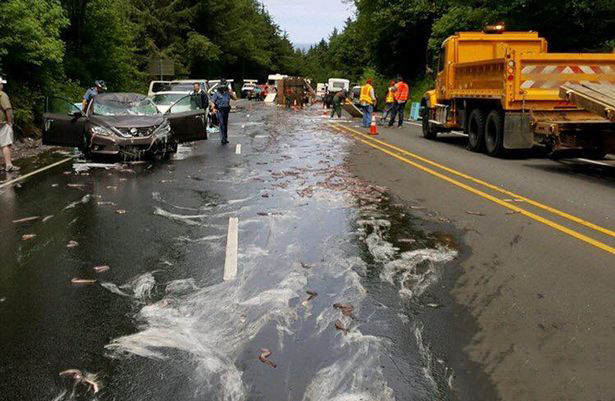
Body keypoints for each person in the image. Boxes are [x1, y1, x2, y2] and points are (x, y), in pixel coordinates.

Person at [0, 76, 19, 172]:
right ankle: (8, 165)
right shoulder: (2, 95)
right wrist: (9, 122)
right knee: (5, 143)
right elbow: (7, 109)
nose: (2, 85)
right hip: (1, 123)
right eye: (1, 83)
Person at [210, 78, 236, 145]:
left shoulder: (227, 92)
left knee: (225, 124)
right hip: (219, 110)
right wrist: (213, 108)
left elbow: (235, 99)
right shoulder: (217, 93)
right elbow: (212, 101)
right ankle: (222, 139)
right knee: (221, 124)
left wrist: (231, 93)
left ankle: (225, 138)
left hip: (226, 110)